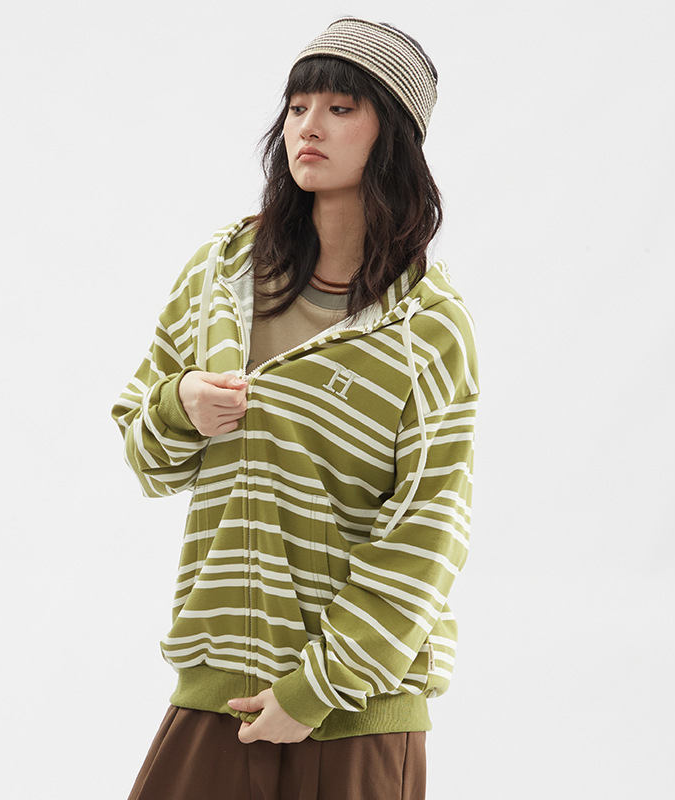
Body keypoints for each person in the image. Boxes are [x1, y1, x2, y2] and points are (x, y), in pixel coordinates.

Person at [111, 16, 479, 800]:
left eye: (340, 109)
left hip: (355, 712)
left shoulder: (428, 327)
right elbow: (146, 459)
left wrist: (315, 690)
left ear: (393, 137)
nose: (308, 126)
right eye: (298, 106)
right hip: (219, 685)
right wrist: (179, 404)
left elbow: (428, 534)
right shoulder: (221, 273)